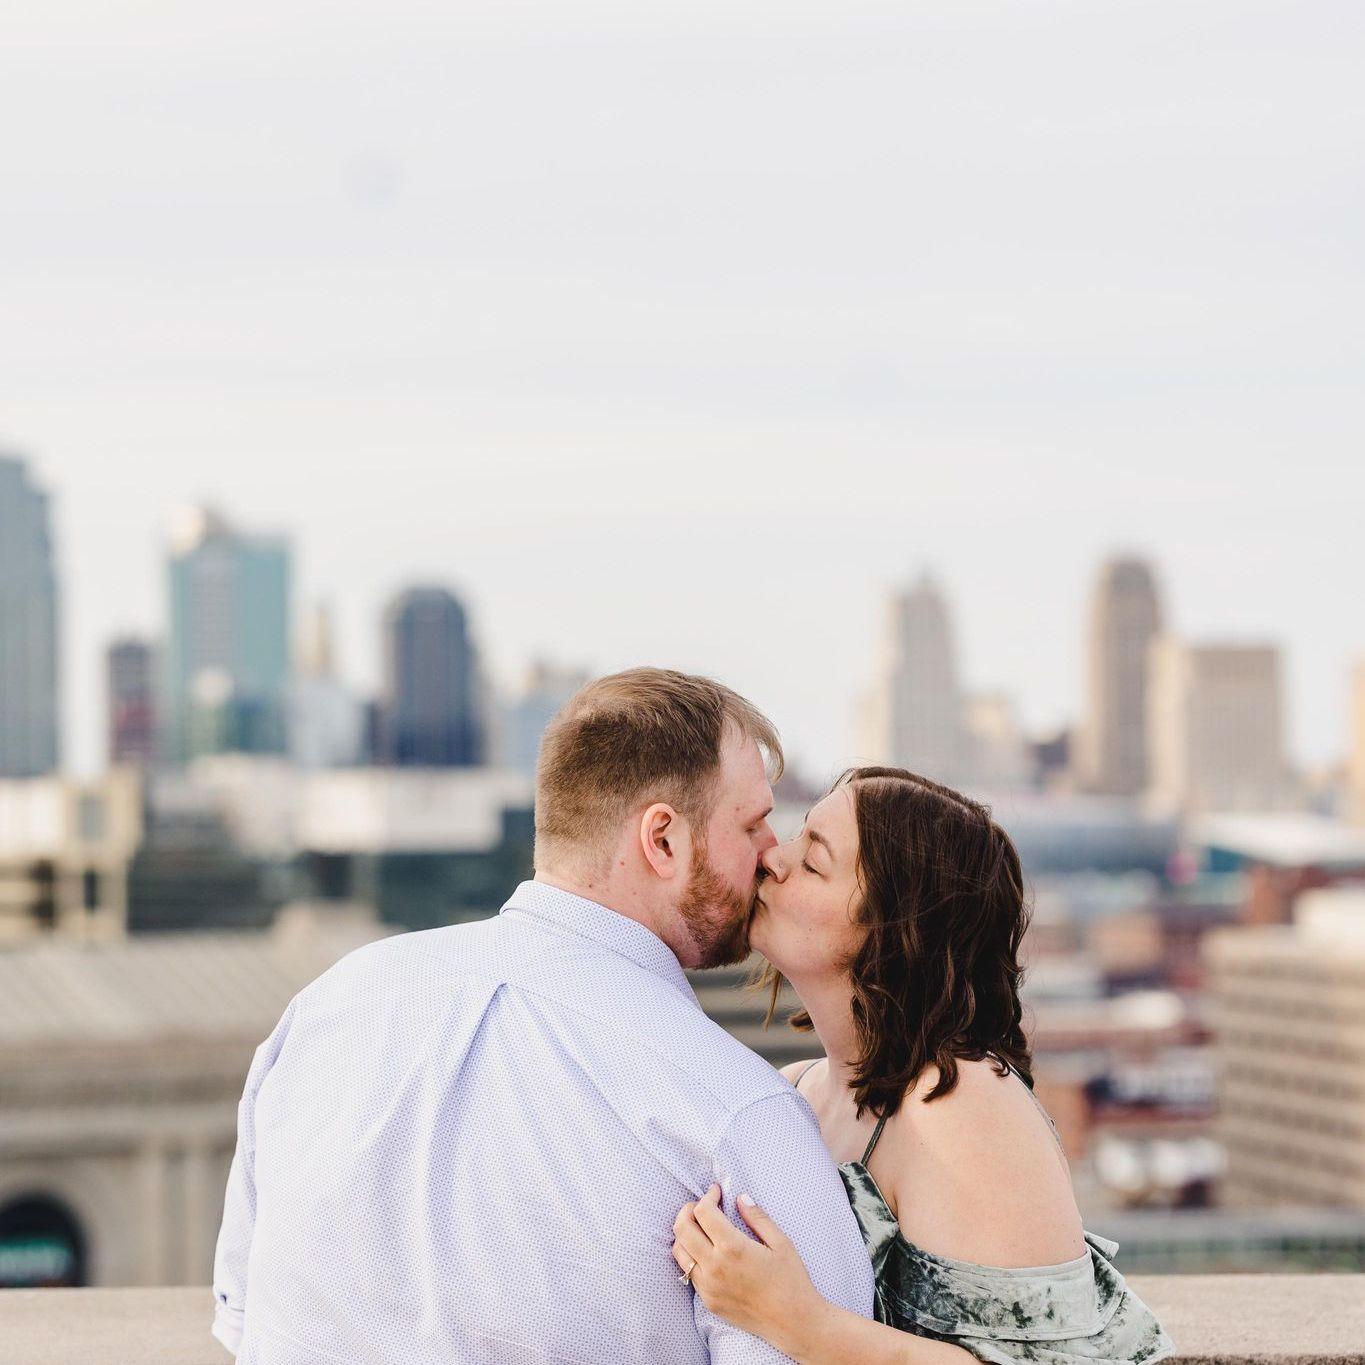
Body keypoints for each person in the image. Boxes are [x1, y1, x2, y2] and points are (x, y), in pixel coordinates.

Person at [212, 668, 874, 1363]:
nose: (771, 851)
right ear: (663, 840)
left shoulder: (325, 1010)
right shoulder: (741, 1117)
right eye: (751, 823)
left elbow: (245, 1317)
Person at [671, 768, 1174, 1365]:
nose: (774, 858)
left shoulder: (960, 1103)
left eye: (814, 862)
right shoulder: (794, 1092)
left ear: (893, 929)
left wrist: (797, 1321)